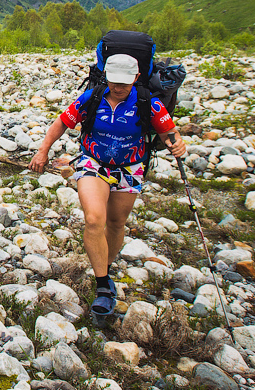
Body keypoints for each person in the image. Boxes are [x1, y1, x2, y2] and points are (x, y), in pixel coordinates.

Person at [28, 53, 186, 316]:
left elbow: (169, 133)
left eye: (125, 82)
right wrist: (43, 151)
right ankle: (103, 287)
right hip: (94, 163)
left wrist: (177, 144)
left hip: (130, 168)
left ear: (136, 78)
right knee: (94, 219)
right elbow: (62, 122)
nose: (119, 87)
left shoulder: (149, 103)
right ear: (106, 77)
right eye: (114, 81)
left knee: (115, 223)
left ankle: (104, 267)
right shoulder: (93, 97)